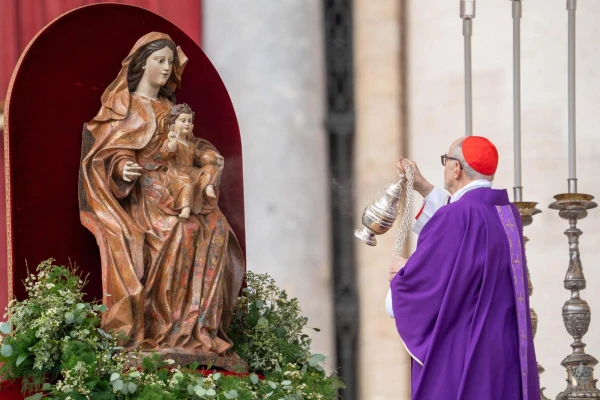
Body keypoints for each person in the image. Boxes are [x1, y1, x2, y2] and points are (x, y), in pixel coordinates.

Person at [80, 32, 245, 358]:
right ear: (142, 64)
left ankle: (196, 329)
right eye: (160, 60)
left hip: (175, 183)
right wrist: (122, 168)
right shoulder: (124, 108)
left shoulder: (171, 108)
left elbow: (190, 146)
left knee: (216, 227)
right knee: (180, 230)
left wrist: (208, 157)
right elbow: (108, 153)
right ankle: (162, 326)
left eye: (170, 61)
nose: (167, 67)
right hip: (143, 193)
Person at [387, 136, 540, 399]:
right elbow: (462, 232)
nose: (445, 166)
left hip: (467, 352)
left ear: (456, 168)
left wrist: (404, 272)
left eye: (446, 161)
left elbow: (425, 286)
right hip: (504, 352)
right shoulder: (507, 214)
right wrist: (423, 187)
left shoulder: (456, 216)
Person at [160, 103, 221, 220]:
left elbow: (201, 159)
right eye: (183, 120)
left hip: (192, 171)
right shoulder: (172, 141)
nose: (187, 124)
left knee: (212, 168)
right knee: (187, 182)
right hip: (177, 173)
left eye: (189, 121)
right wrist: (172, 142)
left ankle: (209, 186)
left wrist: (211, 157)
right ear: (173, 124)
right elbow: (166, 154)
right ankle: (185, 208)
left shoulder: (192, 145)